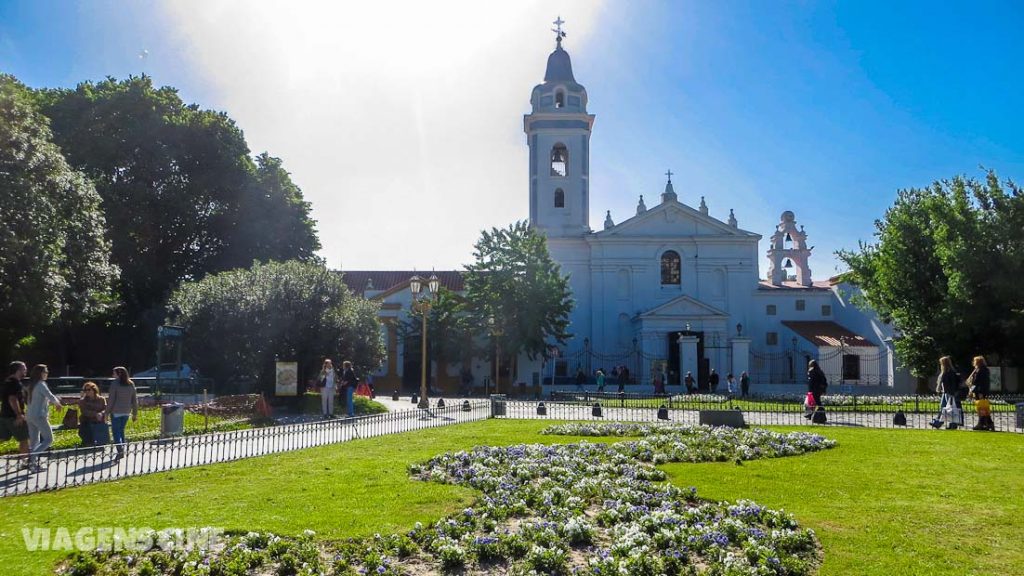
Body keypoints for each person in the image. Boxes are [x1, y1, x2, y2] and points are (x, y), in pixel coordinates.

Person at [26, 364, 62, 470]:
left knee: (34, 441)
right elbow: (49, 395)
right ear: (40, 373)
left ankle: (32, 464)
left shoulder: (32, 384)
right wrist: (57, 403)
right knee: (49, 439)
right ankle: (32, 458)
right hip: (39, 416)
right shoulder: (41, 384)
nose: (47, 374)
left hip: (30, 416)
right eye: (45, 372)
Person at [1, 362, 30, 465]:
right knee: (24, 439)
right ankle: (25, 462)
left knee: (2, 438)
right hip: (14, 417)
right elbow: (12, 399)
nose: (25, 370)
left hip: (4, 415)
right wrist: (18, 414)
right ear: (18, 370)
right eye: (24, 369)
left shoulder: (7, 381)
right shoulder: (15, 383)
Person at [108, 366, 139, 458]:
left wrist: (106, 412)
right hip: (126, 411)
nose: (112, 375)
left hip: (116, 411)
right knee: (121, 430)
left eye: (114, 373)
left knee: (115, 431)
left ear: (119, 374)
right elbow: (134, 400)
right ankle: (122, 448)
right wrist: (135, 413)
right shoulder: (131, 384)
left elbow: (111, 399)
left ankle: (119, 449)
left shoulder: (115, 384)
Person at [930, 356, 962, 430]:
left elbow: (952, 384)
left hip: (949, 393)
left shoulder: (950, 373)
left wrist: (952, 393)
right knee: (943, 407)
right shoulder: (946, 372)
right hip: (945, 392)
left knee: (950, 408)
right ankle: (939, 422)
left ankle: (948, 423)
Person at [78, 381, 108, 446]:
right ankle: (88, 443)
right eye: (85, 390)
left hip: (99, 420)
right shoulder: (83, 400)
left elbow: (106, 409)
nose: (87, 391)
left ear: (94, 390)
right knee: (86, 426)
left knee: (101, 425)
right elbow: (84, 411)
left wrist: (101, 413)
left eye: (89, 390)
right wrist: (95, 414)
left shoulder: (101, 399)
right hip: (87, 420)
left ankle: (100, 441)